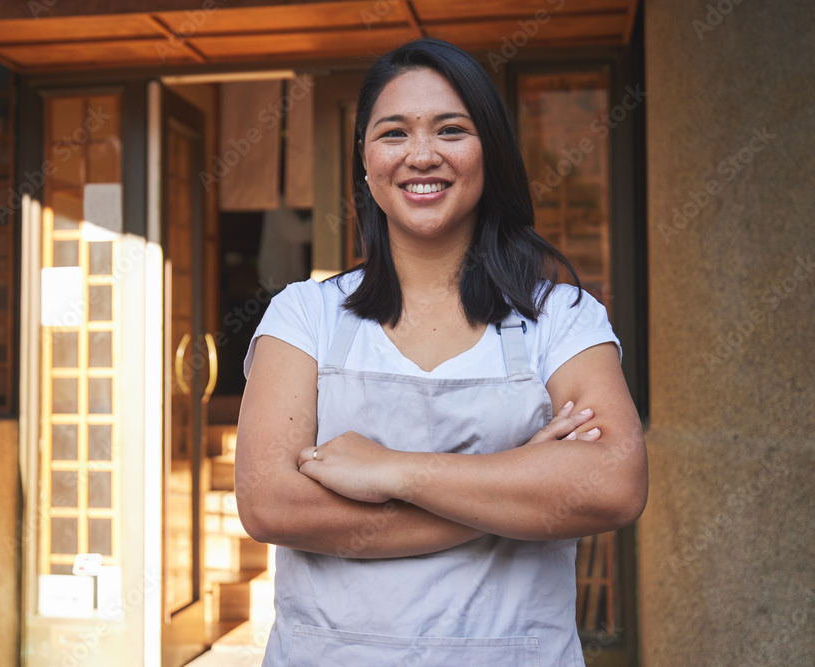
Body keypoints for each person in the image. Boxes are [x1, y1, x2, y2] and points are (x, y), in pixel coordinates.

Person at [235, 37, 648, 666]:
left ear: (490, 154)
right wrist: (515, 486)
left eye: (451, 130)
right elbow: (269, 503)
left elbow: (614, 483)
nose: (421, 155)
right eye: (393, 133)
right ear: (366, 162)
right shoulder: (305, 315)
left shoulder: (559, 319)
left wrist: (392, 469)